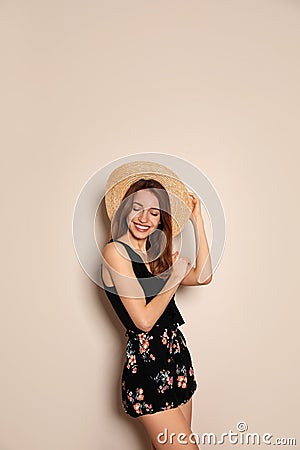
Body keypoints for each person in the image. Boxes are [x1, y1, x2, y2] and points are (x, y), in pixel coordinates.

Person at [100, 161, 212, 450]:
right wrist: (173, 278)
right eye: (137, 207)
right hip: (148, 363)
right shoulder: (115, 252)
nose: (144, 218)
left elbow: (204, 276)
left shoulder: (154, 254)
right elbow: (144, 321)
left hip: (175, 353)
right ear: (125, 209)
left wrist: (196, 220)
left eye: (154, 212)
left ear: (161, 219)